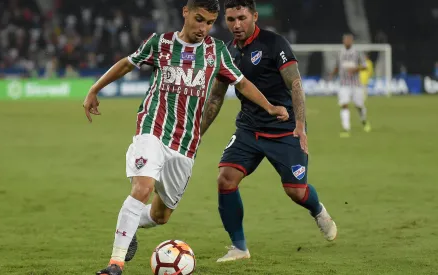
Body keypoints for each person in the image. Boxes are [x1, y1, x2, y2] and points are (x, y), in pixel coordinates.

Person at [82, 1, 289, 274]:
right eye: (199, 19)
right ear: (185, 13)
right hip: (152, 129)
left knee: (160, 216)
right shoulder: (160, 43)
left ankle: (130, 225)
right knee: (142, 187)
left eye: (209, 22)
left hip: (186, 144)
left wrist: (270, 106)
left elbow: (242, 83)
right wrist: (94, 89)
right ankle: (115, 264)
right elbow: (126, 64)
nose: (203, 28)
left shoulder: (216, 52)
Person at [199, 0, 337, 262]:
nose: (236, 25)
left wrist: (300, 126)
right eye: (230, 19)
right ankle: (239, 248)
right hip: (249, 129)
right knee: (225, 180)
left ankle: (317, 210)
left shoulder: (275, 44)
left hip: (285, 128)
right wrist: (197, 134)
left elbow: (295, 84)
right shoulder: (227, 53)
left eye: (241, 18)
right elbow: (216, 98)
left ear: (254, 16)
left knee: (296, 191)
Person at [330, 33, 371, 137]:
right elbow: (337, 66)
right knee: (344, 105)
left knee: (359, 106)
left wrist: (355, 69)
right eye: (345, 40)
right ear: (343, 41)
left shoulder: (357, 52)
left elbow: (365, 66)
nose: (347, 42)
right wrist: (332, 74)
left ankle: (364, 121)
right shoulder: (339, 53)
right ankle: (346, 128)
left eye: (349, 40)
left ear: (352, 41)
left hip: (356, 84)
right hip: (344, 84)